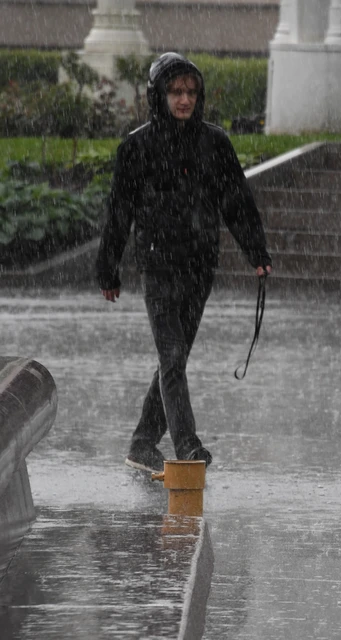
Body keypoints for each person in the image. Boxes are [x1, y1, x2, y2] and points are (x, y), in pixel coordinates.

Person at [96, 52, 273, 473]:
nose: (184, 99)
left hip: (199, 266)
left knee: (174, 360)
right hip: (156, 266)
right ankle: (188, 447)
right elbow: (120, 211)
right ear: (158, 95)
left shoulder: (215, 143)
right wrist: (108, 268)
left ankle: (142, 441)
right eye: (175, 91)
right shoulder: (136, 147)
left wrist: (256, 252)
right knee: (172, 357)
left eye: (191, 92)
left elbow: (237, 202)